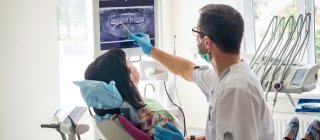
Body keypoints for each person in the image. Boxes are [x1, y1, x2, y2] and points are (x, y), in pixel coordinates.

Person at [128, 4, 275, 140]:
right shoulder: (223, 76)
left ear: (206, 42)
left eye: (196, 33)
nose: (195, 39)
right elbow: (186, 69)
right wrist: (150, 50)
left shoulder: (234, 90)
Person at [77, 48, 180, 137]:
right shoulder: (156, 117)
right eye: (129, 62)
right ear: (128, 79)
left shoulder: (106, 115)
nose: (132, 64)